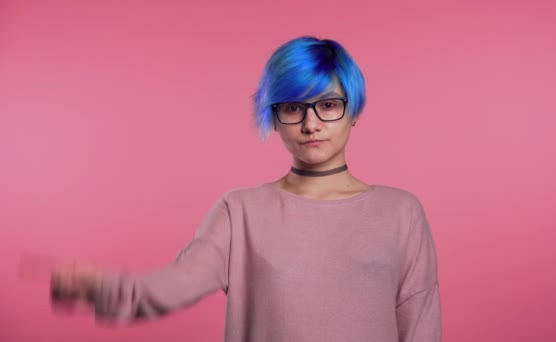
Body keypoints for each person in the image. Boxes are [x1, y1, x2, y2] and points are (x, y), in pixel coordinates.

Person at [50, 36, 442, 341]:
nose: (311, 123)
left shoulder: (400, 212)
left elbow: (420, 327)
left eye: (327, 104)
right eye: (293, 108)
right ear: (273, 119)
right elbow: (177, 282)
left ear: (352, 111)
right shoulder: (241, 211)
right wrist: (104, 287)